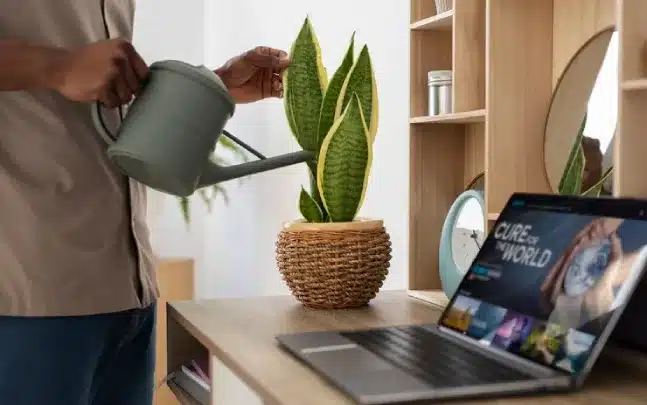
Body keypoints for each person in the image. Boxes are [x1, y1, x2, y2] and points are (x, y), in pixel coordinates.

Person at [0, 2, 289, 405]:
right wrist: (55, 66)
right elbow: (71, 69)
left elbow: (101, 104)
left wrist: (211, 86)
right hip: (30, 297)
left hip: (129, 295)